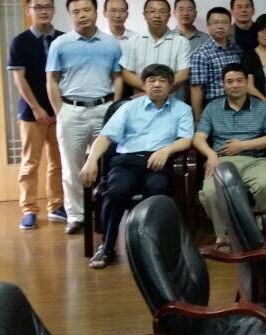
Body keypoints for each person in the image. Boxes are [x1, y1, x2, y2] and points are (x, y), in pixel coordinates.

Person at [79, 64, 193, 268]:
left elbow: (186, 139)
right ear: (144, 85)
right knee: (116, 191)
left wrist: (166, 150)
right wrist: (91, 160)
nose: (156, 85)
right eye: (151, 80)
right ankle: (107, 247)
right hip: (127, 161)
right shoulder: (129, 108)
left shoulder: (182, 109)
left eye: (162, 81)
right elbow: (105, 137)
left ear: (170, 85)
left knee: (157, 189)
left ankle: (152, 247)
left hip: (158, 161)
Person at [46, 0, 123, 235]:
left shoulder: (111, 43)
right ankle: (76, 215)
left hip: (104, 109)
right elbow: (51, 80)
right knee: (72, 167)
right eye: (76, 12)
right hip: (72, 111)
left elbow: (117, 77)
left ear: (96, 12)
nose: (82, 15)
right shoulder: (60, 44)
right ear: (70, 15)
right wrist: (61, 111)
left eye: (86, 10)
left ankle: (103, 213)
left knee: (106, 165)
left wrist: (115, 109)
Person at [194, 63, 266, 249]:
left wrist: (243, 145)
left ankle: (258, 230)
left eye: (239, 80)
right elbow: (199, 138)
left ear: (247, 82)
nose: (235, 85)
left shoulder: (261, 108)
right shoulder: (212, 108)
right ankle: (222, 235)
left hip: (254, 160)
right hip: (221, 160)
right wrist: (211, 154)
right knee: (210, 192)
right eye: (230, 81)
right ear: (223, 85)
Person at [7, 0, 65, 230]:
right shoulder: (20, 42)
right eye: (38, 7)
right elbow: (19, 79)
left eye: (48, 7)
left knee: (58, 162)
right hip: (32, 113)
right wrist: (37, 108)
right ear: (28, 10)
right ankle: (29, 209)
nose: (43, 11)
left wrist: (59, 108)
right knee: (30, 163)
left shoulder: (63, 39)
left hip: (59, 110)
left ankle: (57, 205)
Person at [120, 0, 191, 98]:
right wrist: (149, 89)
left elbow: (183, 73)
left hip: (172, 101)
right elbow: (127, 73)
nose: (157, 15)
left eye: (162, 11)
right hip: (140, 100)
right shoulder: (133, 41)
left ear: (169, 15)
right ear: (145, 15)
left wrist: (163, 90)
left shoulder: (181, 42)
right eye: (152, 11)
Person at [190, 7, 242, 122]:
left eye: (224, 22)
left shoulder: (236, 49)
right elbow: (196, 89)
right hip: (215, 105)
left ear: (230, 26)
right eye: (216, 22)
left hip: (239, 103)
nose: (220, 26)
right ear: (208, 26)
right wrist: (198, 119)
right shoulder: (201, 53)